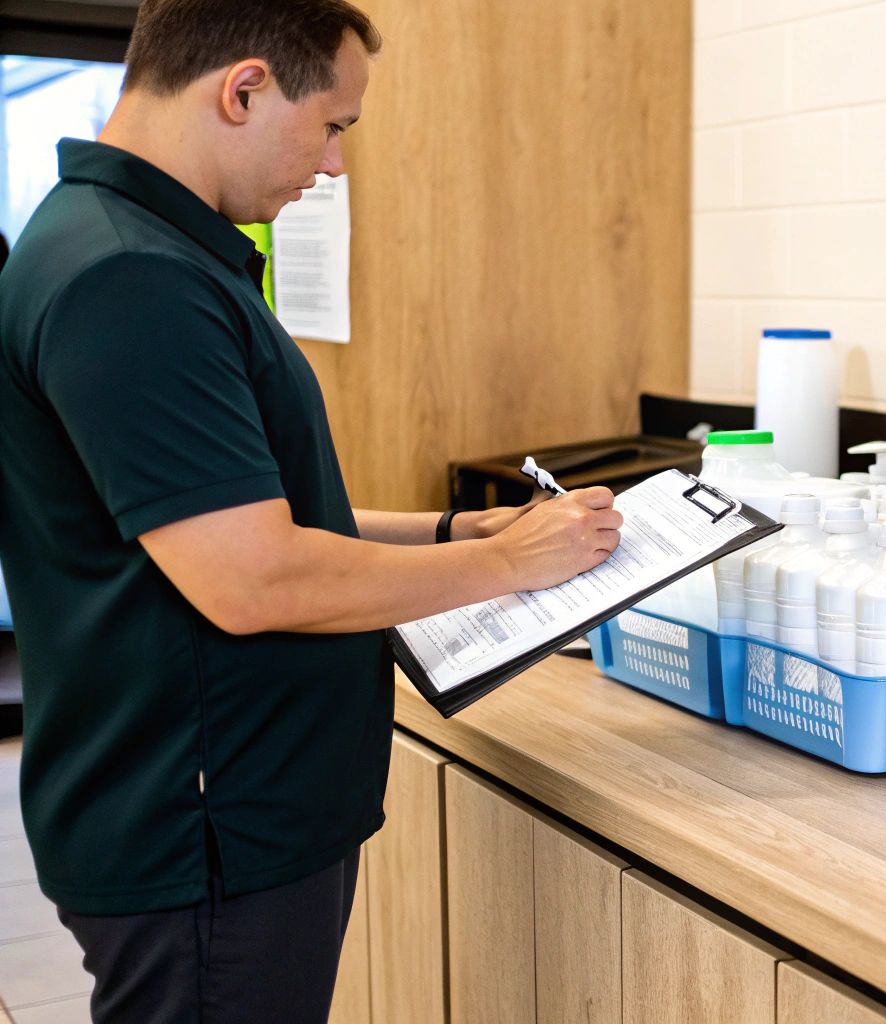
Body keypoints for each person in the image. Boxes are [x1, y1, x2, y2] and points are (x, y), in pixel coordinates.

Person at [0, 2, 623, 1020]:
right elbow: (255, 577)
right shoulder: (131, 279)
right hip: (204, 828)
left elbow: (249, 515)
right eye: (334, 126)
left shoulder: (132, 247)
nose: (334, 167)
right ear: (242, 89)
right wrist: (516, 564)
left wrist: (455, 533)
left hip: (214, 813)